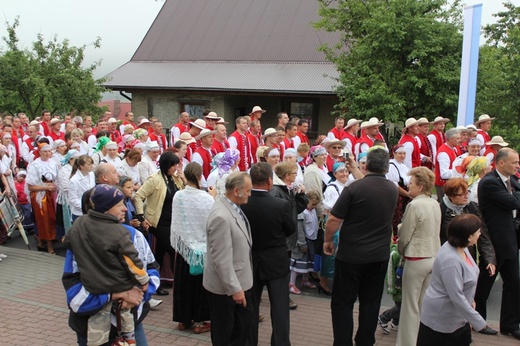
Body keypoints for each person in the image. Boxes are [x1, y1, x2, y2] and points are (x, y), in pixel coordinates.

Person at [324, 148, 398, 346]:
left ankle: (342, 342)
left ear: (367, 165)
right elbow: (368, 183)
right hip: (378, 256)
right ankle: (366, 341)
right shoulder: (392, 188)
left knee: (342, 303)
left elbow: (333, 218)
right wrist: (356, 170)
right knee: (370, 303)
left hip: (351, 255)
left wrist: (327, 240)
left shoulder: (353, 189)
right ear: (386, 166)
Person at [63, 184, 150, 346]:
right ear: (105, 209)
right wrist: (132, 290)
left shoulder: (79, 228)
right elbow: (74, 294)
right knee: (121, 325)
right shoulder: (120, 234)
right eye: (119, 205)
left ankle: (104, 340)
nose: (125, 209)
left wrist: (137, 295)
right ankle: (129, 339)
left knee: (100, 330)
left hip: (114, 303)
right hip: (94, 313)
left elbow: (152, 268)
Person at [241, 163, 295, 346]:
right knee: (280, 308)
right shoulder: (281, 205)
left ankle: (249, 342)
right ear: (270, 181)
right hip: (276, 260)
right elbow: (290, 229)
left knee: (250, 307)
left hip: (251, 260)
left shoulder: (242, 204)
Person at [417, 214, 490, 345]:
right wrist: (478, 321)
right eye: (478, 232)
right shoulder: (451, 260)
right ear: (469, 237)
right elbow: (455, 295)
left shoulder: (462, 248)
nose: (480, 234)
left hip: (457, 318)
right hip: (442, 321)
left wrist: (470, 300)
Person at [203, 172, 254, 346]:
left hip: (236, 284)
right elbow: (221, 259)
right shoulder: (221, 216)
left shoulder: (231, 207)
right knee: (226, 335)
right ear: (237, 190)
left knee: (239, 331)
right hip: (227, 289)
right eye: (248, 190)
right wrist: (235, 289)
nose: (250, 194)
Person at [475, 148, 520, 340]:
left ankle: (510, 325)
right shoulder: (489, 183)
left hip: (510, 241)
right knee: (484, 286)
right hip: (493, 243)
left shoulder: (513, 181)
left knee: (514, 284)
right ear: (501, 163)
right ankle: (478, 321)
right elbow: (512, 203)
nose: (517, 166)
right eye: (514, 163)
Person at [396, 167, 441, 346]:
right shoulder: (434, 203)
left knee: (410, 306)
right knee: (423, 304)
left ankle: (407, 343)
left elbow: (405, 235)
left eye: (412, 183)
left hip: (416, 257)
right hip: (432, 255)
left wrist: (400, 249)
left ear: (420, 187)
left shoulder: (414, 205)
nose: (409, 185)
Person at [170, 162, 215, 334]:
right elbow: (212, 220)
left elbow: (178, 221)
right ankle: (200, 321)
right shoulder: (207, 198)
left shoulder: (178, 196)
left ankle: (183, 319)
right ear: (198, 176)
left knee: (184, 284)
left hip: (185, 248)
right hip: (202, 248)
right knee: (201, 286)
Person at [134, 152, 185, 296]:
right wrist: (141, 217)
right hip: (159, 222)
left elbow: (185, 193)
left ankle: (156, 282)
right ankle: (172, 281)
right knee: (171, 250)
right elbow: (138, 196)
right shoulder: (155, 180)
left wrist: (184, 179)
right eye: (173, 165)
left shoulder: (176, 179)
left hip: (174, 221)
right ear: (166, 165)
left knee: (160, 254)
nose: (175, 168)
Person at [26, 143, 59, 254]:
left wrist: (54, 187)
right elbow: (31, 187)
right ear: (39, 152)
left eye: (49, 151)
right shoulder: (35, 165)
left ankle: (47, 239)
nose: (47, 153)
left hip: (52, 194)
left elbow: (57, 179)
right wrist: (46, 187)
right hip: (41, 195)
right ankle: (48, 245)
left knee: (53, 218)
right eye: (45, 151)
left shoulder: (53, 163)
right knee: (44, 219)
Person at [386, 145, 411, 236]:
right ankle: (395, 236)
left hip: (406, 194)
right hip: (398, 195)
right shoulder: (391, 165)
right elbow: (395, 185)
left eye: (404, 154)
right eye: (400, 153)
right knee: (396, 216)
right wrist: (407, 194)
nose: (402, 156)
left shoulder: (403, 166)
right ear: (394, 153)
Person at [68, 155, 95, 222]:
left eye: (91, 164)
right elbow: (73, 199)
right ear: (81, 166)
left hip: (91, 211)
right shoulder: (74, 180)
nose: (91, 166)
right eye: (89, 164)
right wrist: (85, 208)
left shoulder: (91, 174)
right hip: (79, 213)